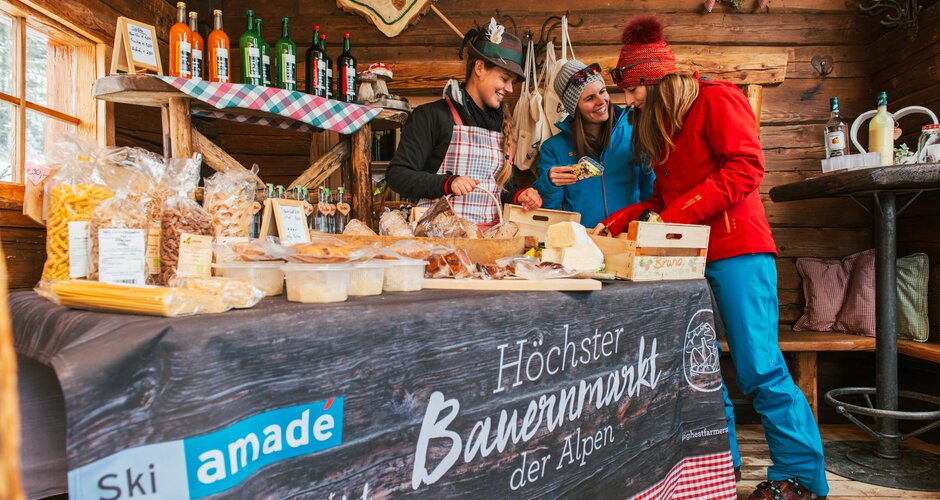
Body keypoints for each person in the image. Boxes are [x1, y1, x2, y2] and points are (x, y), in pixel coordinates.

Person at [596, 16, 829, 500]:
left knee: (759, 367)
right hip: (688, 258)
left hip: (738, 250)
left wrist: (675, 214)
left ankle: (801, 478)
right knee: (700, 373)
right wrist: (620, 220)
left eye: (632, 89)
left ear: (652, 80)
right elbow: (664, 200)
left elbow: (746, 167)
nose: (628, 100)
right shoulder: (661, 123)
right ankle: (721, 464)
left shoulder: (717, 98)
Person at [386, 19, 541, 228]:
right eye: (504, 78)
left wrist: (518, 196)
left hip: (487, 238)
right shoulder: (432, 116)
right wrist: (447, 183)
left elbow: (497, 193)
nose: (510, 88)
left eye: (511, 82)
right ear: (480, 68)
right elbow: (398, 175)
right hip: (438, 239)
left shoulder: (502, 126)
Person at [532, 60, 654, 228]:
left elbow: (651, 194)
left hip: (628, 234)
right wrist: (549, 184)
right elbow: (548, 208)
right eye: (589, 98)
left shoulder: (635, 133)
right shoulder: (553, 148)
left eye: (602, 91)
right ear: (574, 108)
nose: (601, 101)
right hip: (582, 238)